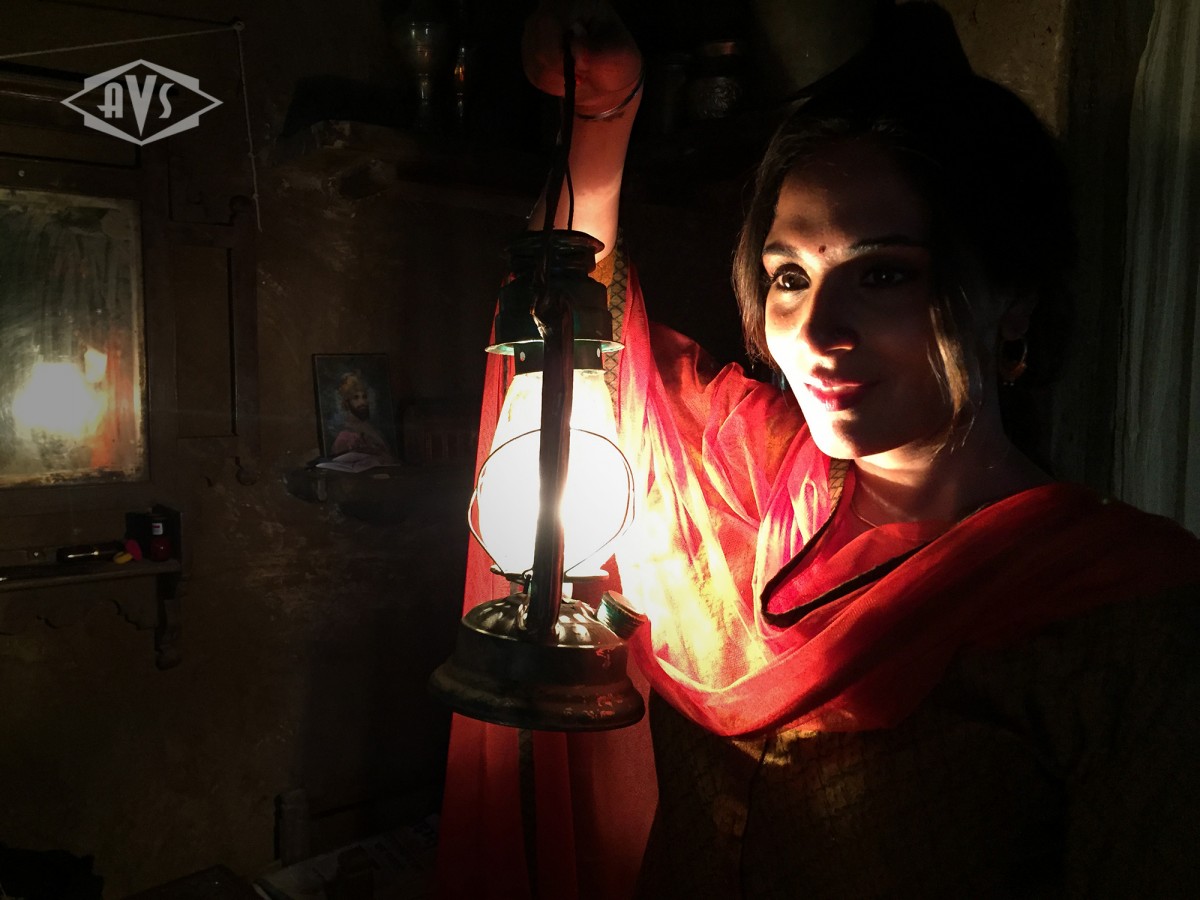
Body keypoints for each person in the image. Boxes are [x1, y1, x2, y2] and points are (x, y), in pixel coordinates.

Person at [437, 2, 1200, 898]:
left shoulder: (1124, 612)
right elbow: (569, 319)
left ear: (1013, 300)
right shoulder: (742, 475)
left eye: (883, 274)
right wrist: (603, 115)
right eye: (790, 276)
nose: (818, 331)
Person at [329, 371, 393, 459]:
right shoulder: (343, 437)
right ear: (347, 402)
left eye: (364, 397)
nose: (362, 402)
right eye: (356, 398)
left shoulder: (373, 430)